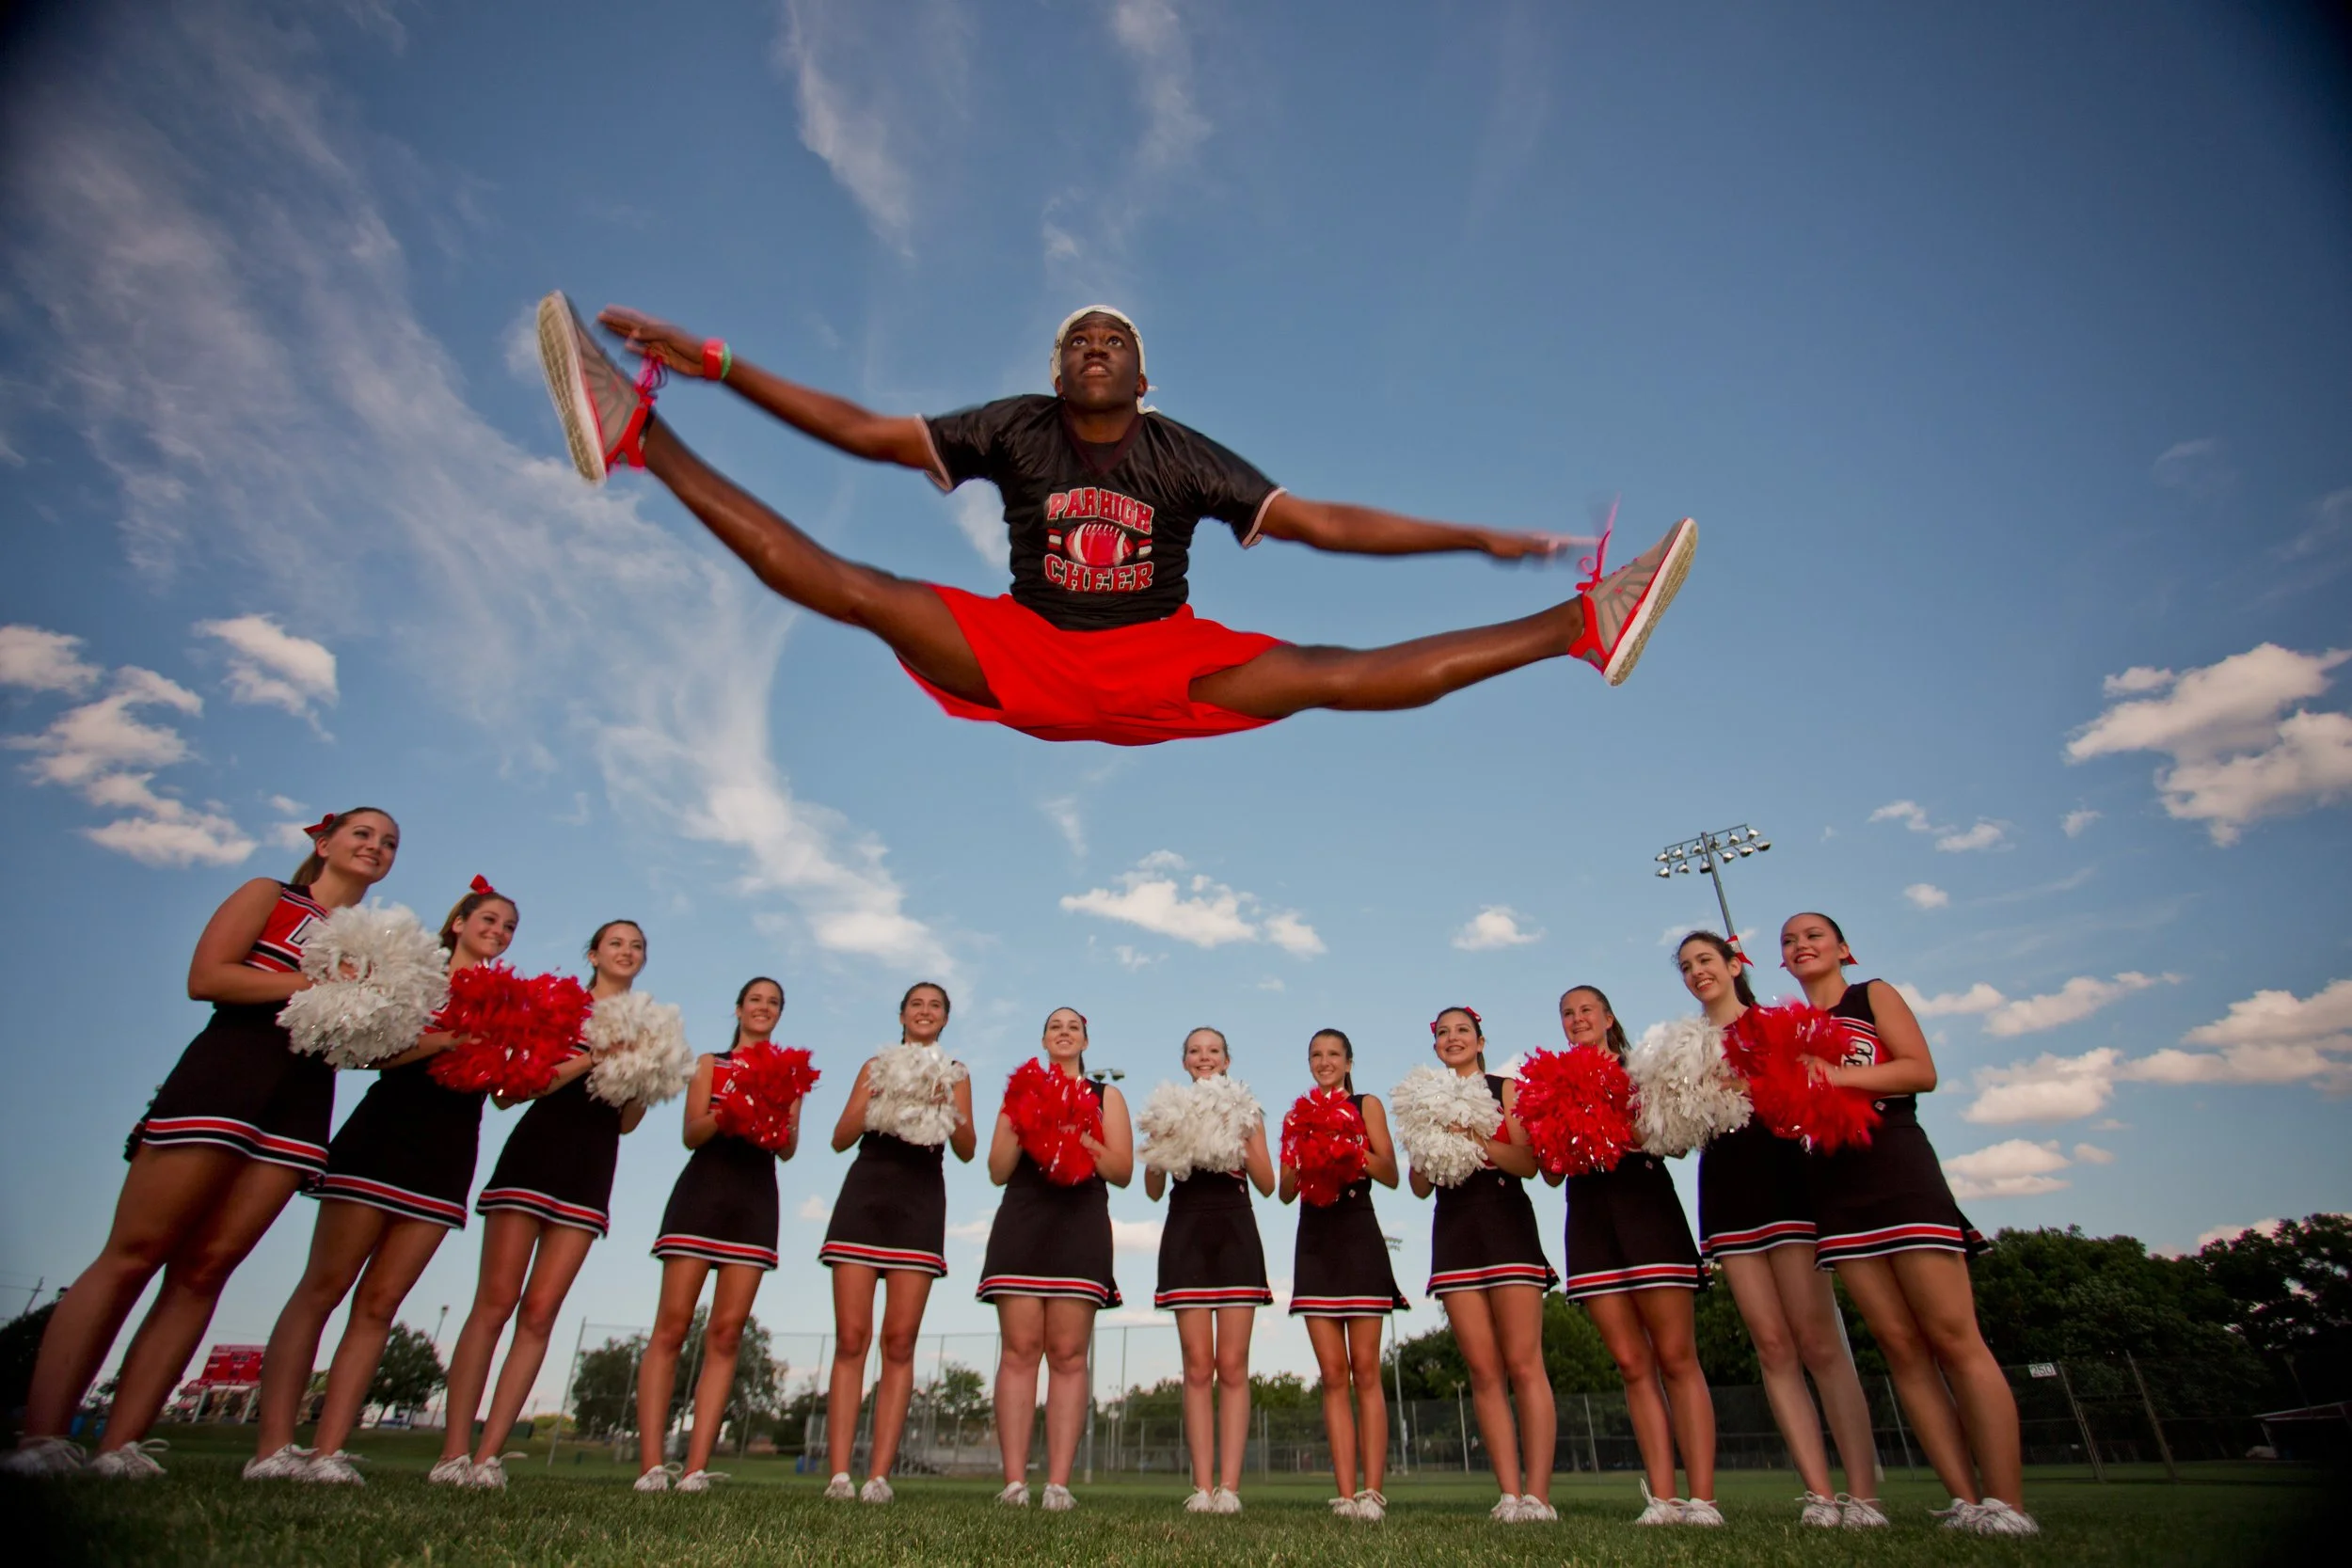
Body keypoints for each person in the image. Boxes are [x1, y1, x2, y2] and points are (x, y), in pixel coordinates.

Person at [532, 294, 1697, 748]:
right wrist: (725, 365)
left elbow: (1325, 524)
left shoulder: (1181, 451)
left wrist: (1471, 537)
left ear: (1142, 376)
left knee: (1333, 673)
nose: (1093, 348)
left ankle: (1580, 623)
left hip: (1162, 654)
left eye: (1115, 341)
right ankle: (640, 434)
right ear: (1055, 370)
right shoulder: (1013, 424)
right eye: (1074, 340)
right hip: (1027, 646)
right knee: (854, 589)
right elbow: (862, 433)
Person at [4, 809, 399, 1480]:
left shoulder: (380, 944)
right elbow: (208, 977)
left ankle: (120, 1443)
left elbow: (365, 1041)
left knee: (208, 1267)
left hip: (302, 1096)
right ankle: (42, 1435)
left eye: (389, 842)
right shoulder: (269, 896)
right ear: (325, 843)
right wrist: (320, 985)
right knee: (134, 1252)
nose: (376, 846)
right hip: (225, 1074)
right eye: (363, 833)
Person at [246, 878, 520, 1484]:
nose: (497, 933)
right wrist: (450, 1037)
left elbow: (503, 1097)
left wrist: (516, 1058)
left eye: (508, 928)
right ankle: (271, 1448)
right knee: (323, 1289)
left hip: (449, 1152)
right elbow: (363, 1052)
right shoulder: (412, 971)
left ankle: (329, 1452)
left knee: (379, 1305)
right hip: (383, 1135)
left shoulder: (508, 997)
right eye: (490, 920)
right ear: (458, 922)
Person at [1781, 911, 2036, 1538]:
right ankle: (1966, 1499)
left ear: (1843, 947)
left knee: (1954, 1336)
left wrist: (1837, 1075)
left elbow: (1920, 1070)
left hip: (1896, 1165)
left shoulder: (1873, 995)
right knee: (1899, 1346)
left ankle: (2008, 1501)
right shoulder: (1790, 1030)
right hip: (1834, 1185)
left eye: (1813, 934)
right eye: (1788, 941)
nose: (1800, 944)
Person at [431, 920, 652, 1489]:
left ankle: (490, 1457)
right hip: (534, 1155)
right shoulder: (557, 1003)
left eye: (636, 947)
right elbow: (511, 1092)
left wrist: (638, 1074)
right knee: (496, 1302)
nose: (626, 952)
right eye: (616, 944)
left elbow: (627, 1122)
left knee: (540, 1312)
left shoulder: (649, 1025)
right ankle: (454, 1451)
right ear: (593, 953)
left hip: (591, 1168)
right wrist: (590, 1058)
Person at [1674, 930, 1883, 1527]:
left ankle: (1864, 1496)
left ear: (1736, 964)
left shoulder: (1778, 1023)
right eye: (1687, 967)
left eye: (1706, 961)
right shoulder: (1685, 1046)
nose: (1697, 973)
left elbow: (1808, 1099)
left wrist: (1753, 1088)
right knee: (1771, 1346)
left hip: (1786, 1183)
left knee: (1819, 1342)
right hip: (1727, 1191)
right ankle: (1819, 1493)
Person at [1550, 984, 1718, 1526]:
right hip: (1589, 1218)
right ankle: (1664, 1499)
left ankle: (1704, 1499)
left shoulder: (1640, 1069)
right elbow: (1551, 1172)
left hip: (1647, 1210)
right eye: (1568, 1014)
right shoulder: (1554, 1080)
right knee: (1630, 1362)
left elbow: (1676, 1142)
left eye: (1586, 1011)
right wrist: (1563, 1129)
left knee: (1675, 1356)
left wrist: (1617, 1128)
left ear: (1608, 1018)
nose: (1578, 1020)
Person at [633, 977, 798, 1493]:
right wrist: (735, 1106)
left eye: (773, 1003)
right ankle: (651, 1465)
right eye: (756, 1000)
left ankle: (697, 1467)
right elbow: (692, 1132)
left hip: (754, 1203)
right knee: (673, 1326)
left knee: (727, 1334)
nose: (763, 1008)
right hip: (702, 1197)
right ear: (739, 1009)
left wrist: (771, 1112)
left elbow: (789, 1147)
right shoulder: (711, 1063)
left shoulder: (789, 1072)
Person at [815, 981, 975, 1503]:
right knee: (850, 1339)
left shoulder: (957, 1073)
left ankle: (879, 1475)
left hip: (920, 1205)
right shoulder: (873, 1065)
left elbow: (969, 1150)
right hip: (864, 1199)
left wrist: (947, 1106)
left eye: (935, 1006)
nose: (925, 1012)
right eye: (916, 1004)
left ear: (945, 1019)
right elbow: (839, 1138)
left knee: (899, 1342)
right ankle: (840, 1474)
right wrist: (875, 1102)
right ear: (902, 1015)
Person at [977, 1008, 1134, 1510]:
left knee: (1068, 1355)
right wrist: (1027, 1125)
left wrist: (1079, 1135)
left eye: (1074, 1027)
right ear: (1043, 1039)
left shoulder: (1106, 1095)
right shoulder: (1019, 1091)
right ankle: (1015, 1482)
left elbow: (1123, 1170)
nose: (1064, 1033)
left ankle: (1059, 1484)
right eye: (1055, 1027)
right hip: (1023, 1222)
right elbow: (997, 1170)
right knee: (1019, 1351)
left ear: (1086, 1038)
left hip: (1081, 1224)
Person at [1406, 1006, 1557, 1522]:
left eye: (1461, 1031)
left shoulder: (1504, 1088)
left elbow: (1528, 1164)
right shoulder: (1423, 1095)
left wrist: (1472, 1136)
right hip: (1454, 1233)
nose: (1453, 1039)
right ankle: (1509, 1494)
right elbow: (1420, 1185)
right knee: (1483, 1369)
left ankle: (1538, 1495)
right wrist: (1428, 1139)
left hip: (1506, 1226)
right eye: (1443, 1033)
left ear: (1480, 1039)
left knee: (1523, 1362)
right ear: (1435, 1047)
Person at [1144, 1027, 1275, 1514]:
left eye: (1213, 1050)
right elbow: (1154, 1189)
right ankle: (1201, 1487)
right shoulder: (1168, 1104)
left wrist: (1234, 1137)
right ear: (1185, 1062)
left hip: (1236, 1234)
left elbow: (1266, 1182)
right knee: (1198, 1365)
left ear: (1227, 1060)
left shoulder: (1246, 1108)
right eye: (1195, 1051)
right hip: (1186, 1236)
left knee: (1233, 1365)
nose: (1205, 1057)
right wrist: (1164, 1141)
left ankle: (1230, 1489)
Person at [1280, 1027, 1406, 1522]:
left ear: (1349, 1061)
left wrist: (1346, 1147)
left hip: (1358, 1236)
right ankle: (1345, 1492)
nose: (1325, 1061)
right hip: (1313, 1239)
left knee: (1366, 1371)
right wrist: (1302, 1147)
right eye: (1317, 1054)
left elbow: (1391, 1173)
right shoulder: (1297, 1112)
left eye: (1334, 1053)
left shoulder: (1365, 1105)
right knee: (1333, 1374)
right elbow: (1286, 1191)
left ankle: (1373, 1493)